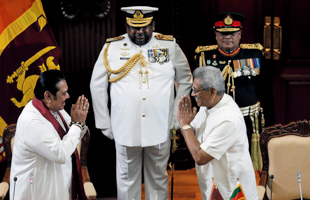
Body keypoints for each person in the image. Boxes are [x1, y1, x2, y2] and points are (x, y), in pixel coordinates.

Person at [90, 6, 192, 200]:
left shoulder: (169, 45)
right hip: (124, 127)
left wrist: (176, 118)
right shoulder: (112, 47)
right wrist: (104, 121)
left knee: (158, 178)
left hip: (160, 125)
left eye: (144, 27)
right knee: (127, 179)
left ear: (153, 25)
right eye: (134, 28)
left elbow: (185, 79)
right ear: (126, 26)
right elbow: (97, 84)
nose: (139, 32)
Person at [194, 12, 273, 170]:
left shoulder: (254, 54)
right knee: (219, 164)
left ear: (240, 34)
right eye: (222, 33)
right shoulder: (204, 57)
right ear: (216, 35)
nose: (227, 37)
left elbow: (266, 91)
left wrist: (271, 126)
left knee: (248, 164)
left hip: (249, 121)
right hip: (217, 121)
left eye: (232, 33)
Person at [177, 66, 258, 200]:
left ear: (212, 91)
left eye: (196, 91)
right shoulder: (209, 104)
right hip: (214, 184)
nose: (192, 94)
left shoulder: (227, 120)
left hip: (232, 191)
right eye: (193, 90)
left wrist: (185, 125)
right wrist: (186, 125)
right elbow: (192, 133)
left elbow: (200, 157)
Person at [10, 70, 89, 200]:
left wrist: (79, 122)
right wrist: (77, 124)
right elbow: (60, 154)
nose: (68, 96)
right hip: (37, 193)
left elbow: (73, 137)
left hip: (57, 189)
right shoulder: (31, 120)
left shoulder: (56, 109)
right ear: (48, 96)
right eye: (63, 94)